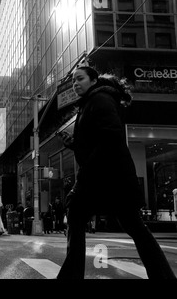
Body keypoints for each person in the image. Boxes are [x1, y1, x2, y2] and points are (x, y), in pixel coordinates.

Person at [56, 66, 176, 279]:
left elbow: (111, 138)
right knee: (133, 228)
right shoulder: (91, 102)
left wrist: (88, 169)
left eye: (80, 79)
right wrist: (74, 144)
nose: (75, 84)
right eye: (73, 80)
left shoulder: (100, 100)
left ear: (93, 80)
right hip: (106, 177)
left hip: (107, 177)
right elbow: (95, 141)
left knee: (130, 227)